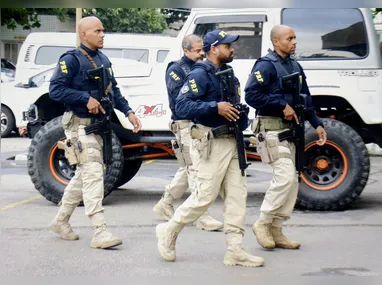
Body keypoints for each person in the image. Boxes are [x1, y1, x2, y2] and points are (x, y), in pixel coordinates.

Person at [156, 30, 264, 267]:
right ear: (214, 48)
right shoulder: (199, 74)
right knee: (204, 196)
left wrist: (239, 114)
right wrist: (215, 107)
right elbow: (182, 106)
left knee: (237, 196)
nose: (232, 49)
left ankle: (235, 250)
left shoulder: (227, 73)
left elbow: (233, 105)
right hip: (212, 143)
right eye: (227, 46)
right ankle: (169, 230)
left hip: (232, 142)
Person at [48, 16, 142, 249]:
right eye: (97, 31)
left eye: (103, 31)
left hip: (98, 126)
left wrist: (128, 112)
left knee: (83, 176)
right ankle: (100, 232)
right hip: (79, 125)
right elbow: (55, 90)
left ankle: (60, 221)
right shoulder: (70, 60)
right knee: (92, 174)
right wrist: (84, 98)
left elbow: (113, 90)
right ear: (84, 34)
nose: (102, 34)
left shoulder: (102, 58)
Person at [244, 25, 327, 250]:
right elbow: (251, 94)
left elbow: (305, 98)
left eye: (294, 38)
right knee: (284, 178)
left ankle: (276, 229)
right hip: (271, 131)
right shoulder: (265, 65)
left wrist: (317, 124)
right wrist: (282, 105)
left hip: (291, 133)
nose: (294, 42)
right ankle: (262, 223)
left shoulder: (294, 65)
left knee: (292, 183)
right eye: (289, 38)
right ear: (276, 42)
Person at [152, 34, 223, 232]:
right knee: (195, 169)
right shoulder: (176, 70)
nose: (202, 53)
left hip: (198, 124)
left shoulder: (203, 68)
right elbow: (179, 101)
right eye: (198, 50)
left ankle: (165, 203)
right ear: (186, 50)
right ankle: (202, 216)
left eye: (203, 50)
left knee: (188, 167)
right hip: (184, 124)